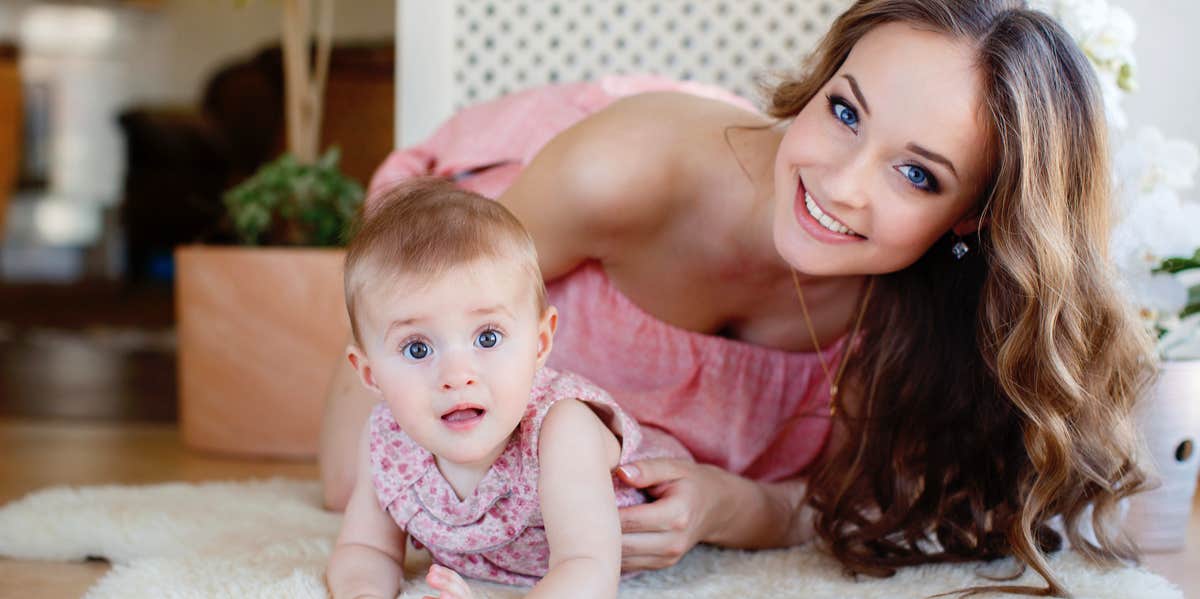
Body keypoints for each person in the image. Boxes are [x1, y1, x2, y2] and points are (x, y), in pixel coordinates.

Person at [322, 1, 1155, 595]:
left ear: (971, 213)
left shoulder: (920, 318)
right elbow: (395, 367)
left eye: (916, 173)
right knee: (339, 479)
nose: (840, 181)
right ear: (822, 82)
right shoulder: (622, 173)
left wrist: (735, 503)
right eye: (843, 111)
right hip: (489, 221)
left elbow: (857, 507)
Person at [325, 178, 692, 599]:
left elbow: (586, 567)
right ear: (370, 374)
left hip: (640, 518)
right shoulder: (385, 438)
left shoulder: (562, 429)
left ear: (539, 344)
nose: (457, 375)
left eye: (487, 338)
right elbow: (364, 547)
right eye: (417, 347)